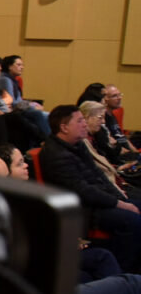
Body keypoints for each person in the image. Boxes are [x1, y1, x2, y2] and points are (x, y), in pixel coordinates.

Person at [39, 105, 141, 270]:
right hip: (83, 209)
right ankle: (123, 272)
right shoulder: (55, 154)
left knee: (135, 206)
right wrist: (119, 204)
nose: (84, 124)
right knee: (133, 221)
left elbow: (98, 176)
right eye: (79, 121)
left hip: (97, 200)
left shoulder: (77, 144)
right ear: (64, 127)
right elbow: (83, 190)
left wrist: (120, 197)